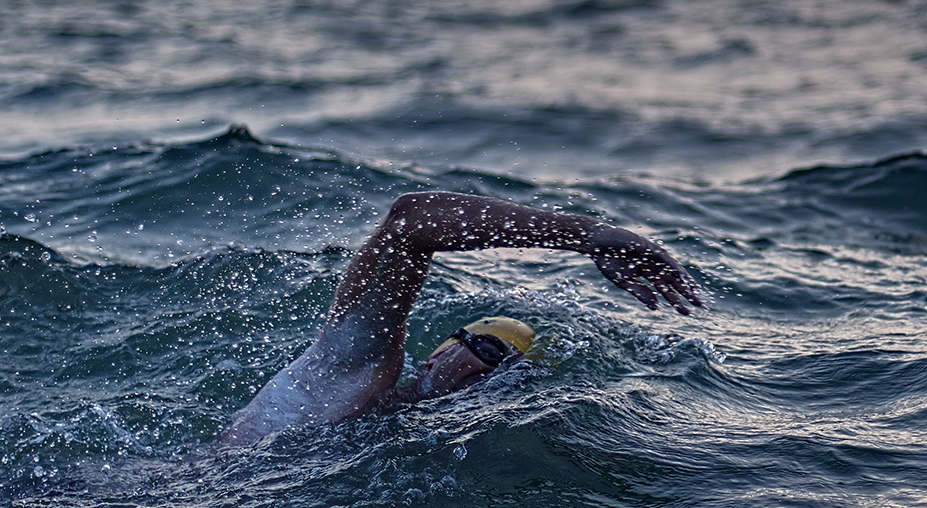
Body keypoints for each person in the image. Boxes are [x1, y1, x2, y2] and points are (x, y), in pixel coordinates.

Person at [218, 190, 703, 445]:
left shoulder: (436, 442)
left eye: (510, 370)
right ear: (441, 351)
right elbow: (409, 220)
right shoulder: (352, 374)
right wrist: (586, 235)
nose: (491, 374)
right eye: (491, 351)